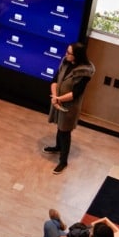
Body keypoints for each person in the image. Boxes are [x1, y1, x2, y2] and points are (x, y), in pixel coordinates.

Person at [42, 42, 95, 174]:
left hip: (69, 106)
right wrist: (54, 96)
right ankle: (57, 147)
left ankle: (63, 161)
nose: (66, 55)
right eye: (67, 51)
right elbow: (55, 79)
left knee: (65, 131)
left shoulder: (84, 72)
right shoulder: (65, 62)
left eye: (69, 53)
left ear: (77, 56)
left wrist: (58, 99)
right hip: (58, 101)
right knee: (59, 126)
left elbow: (76, 93)